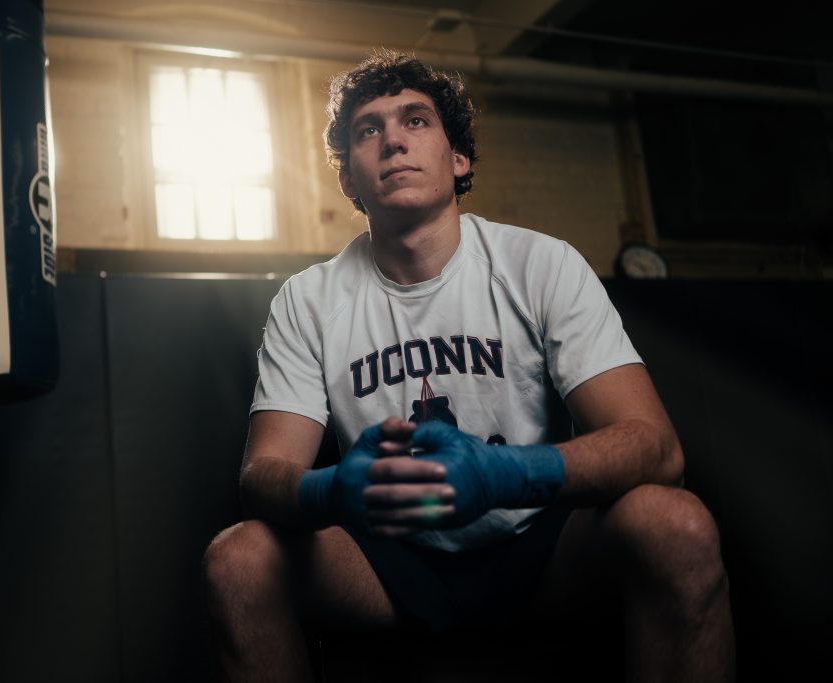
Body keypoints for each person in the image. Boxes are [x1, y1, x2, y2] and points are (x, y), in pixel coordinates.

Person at [202, 50, 734, 682]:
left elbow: (657, 450)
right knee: (237, 560)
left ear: (459, 160)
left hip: (537, 545)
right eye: (368, 130)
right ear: (348, 179)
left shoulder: (540, 263)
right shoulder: (308, 299)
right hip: (389, 561)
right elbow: (262, 475)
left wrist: (507, 473)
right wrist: (330, 489)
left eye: (416, 121)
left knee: (678, 525)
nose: (392, 140)